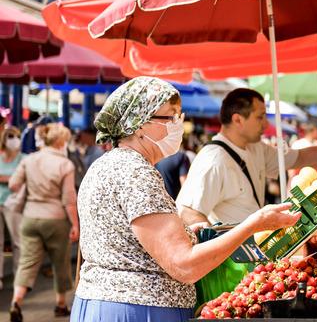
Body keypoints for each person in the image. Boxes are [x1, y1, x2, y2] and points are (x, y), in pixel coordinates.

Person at [71, 77, 300, 321]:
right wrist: (254, 224)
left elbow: (131, 240)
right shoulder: (137, 173)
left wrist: (186, 231)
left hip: (102, 304)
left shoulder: (105, 165)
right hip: (139, 309)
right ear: (138, 124)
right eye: (169, 117)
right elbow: (184, 266)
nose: (178, 124)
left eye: (179, 116)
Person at [177, 89, 317, 225]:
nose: (266, 124)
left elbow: (300, 158)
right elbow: (188, 212)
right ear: (237, 120)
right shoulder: (213, 160)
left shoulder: (256, 148)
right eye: (260, 117)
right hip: (235, 262)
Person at [8, 124, 78, 321]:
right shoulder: (65, 164)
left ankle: (16, 301)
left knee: (27, 263)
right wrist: (75, 224)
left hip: (30, 217)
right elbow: (68, 199)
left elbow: (14, 184)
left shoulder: (29, 160)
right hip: (55, 219)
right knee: (60, 262)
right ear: (60, 141)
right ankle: (61, 304)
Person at [0, 127, 23, 289]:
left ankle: (20, 278)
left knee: (18, 242)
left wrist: (5, 178)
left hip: (14, 204)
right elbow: (16, 180)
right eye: (10, 136)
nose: (14, 139)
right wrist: (11, 179)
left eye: (16, 136)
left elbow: (23, 180)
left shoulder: (25, 159)